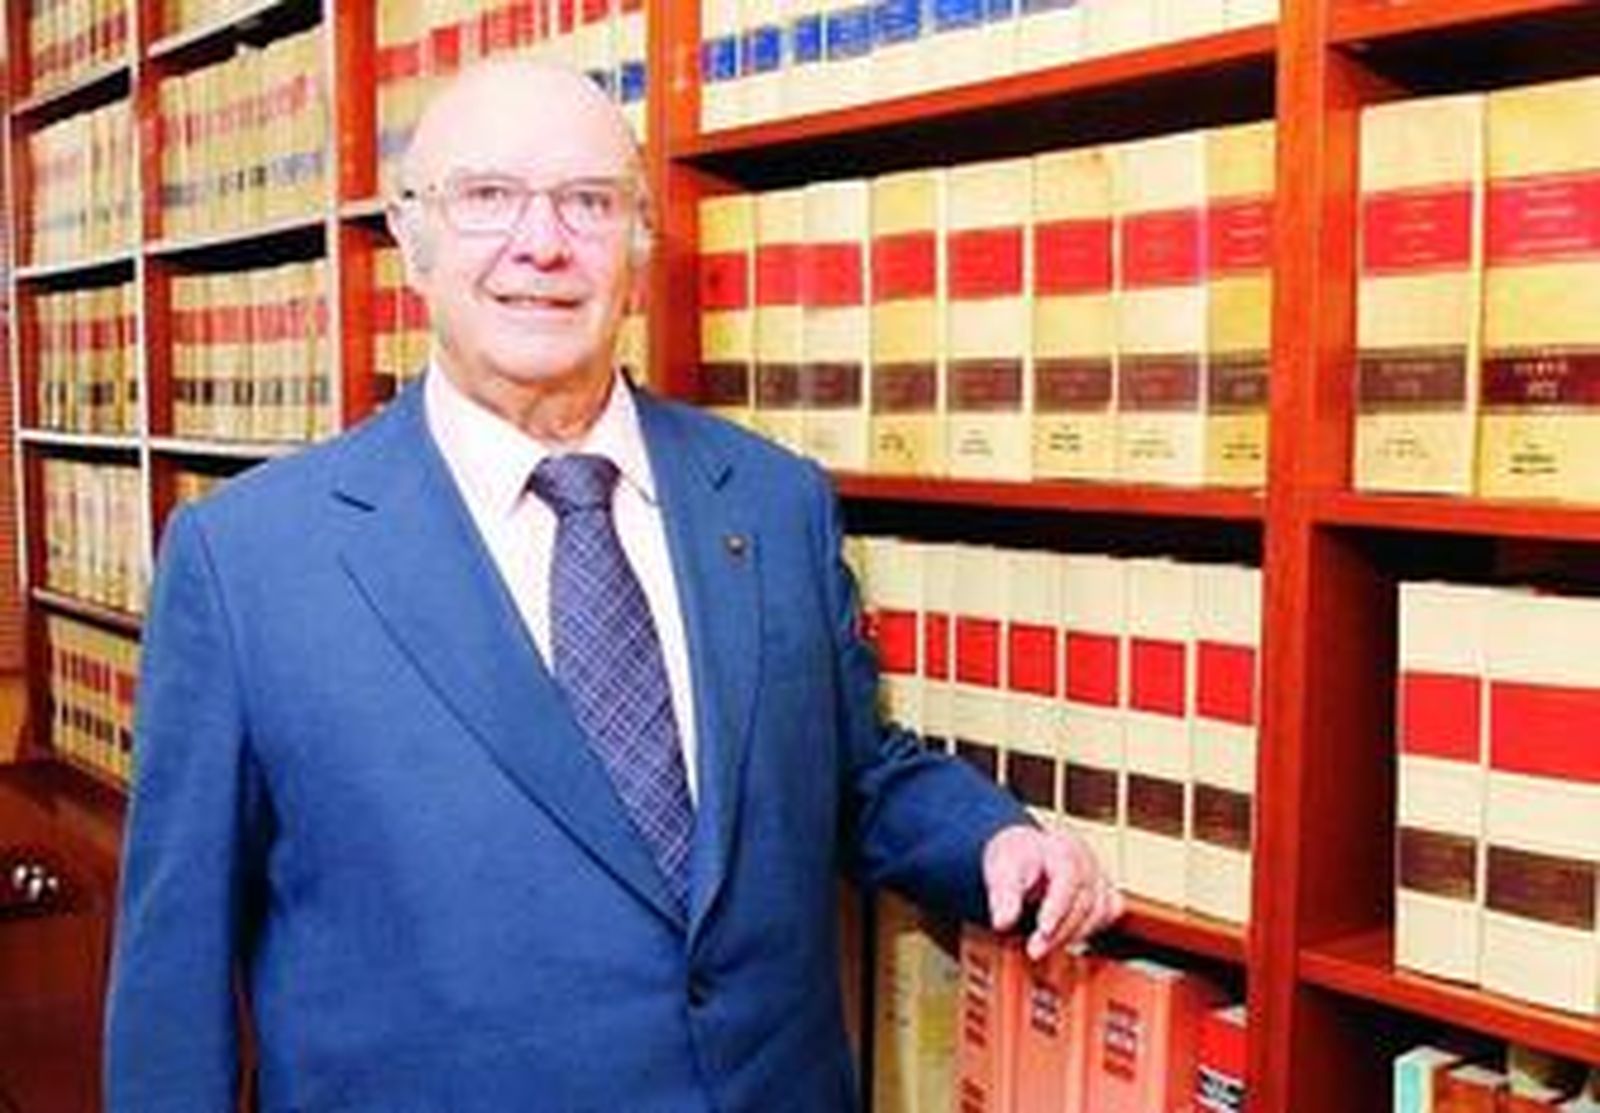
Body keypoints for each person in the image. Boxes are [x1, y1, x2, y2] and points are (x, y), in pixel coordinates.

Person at [105, 59, 1121, 1112]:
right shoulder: (246, 559)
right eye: (487, 195)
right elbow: (173, 974)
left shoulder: (773, 500)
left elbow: (846, 770)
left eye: (588, 202)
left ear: (638, 244)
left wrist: (993, 838)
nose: (541, 244)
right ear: (411, 238)